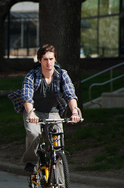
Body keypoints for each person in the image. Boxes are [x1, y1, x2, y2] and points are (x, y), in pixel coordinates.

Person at [9, 44, 81, 175]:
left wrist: (75, 111)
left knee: (58, 146)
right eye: (45, 59)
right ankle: (31, 161)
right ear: (40, 61)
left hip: (53, 112)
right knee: (34, 133)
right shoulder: (32, 76)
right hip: (34, 112)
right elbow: (27, 96)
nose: (49, 63)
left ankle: (63, 187)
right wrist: (31, 113)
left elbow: (70, 94)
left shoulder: (61, 74)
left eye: (51, 59)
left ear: (55, 60)